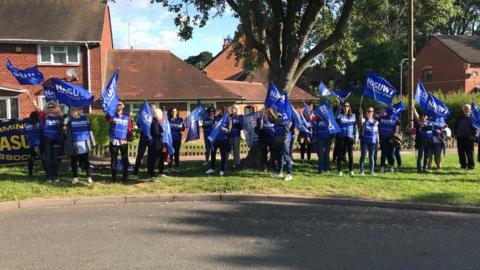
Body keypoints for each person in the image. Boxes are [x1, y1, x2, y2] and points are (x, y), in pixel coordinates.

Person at [106, 100, 134, 184]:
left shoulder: (127, 116)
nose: (118, 106)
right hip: (113, 141)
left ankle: (124, 178)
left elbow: (129, 127)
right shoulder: (112, 115)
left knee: (125, 160)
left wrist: (129, 136)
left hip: (123, 142)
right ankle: (113, 178)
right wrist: (110, 111)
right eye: (117, 104)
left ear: (123, 106)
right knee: (113, 160)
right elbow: (107, 119)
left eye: (120, 104)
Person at [65, 107, 95, 184]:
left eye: (82, 108)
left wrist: (93, 140)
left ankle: (88, 177)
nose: (81, 110)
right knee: (74, 160)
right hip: (74, 142)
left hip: (85, 141)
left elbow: (89, 129)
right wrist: (65, 121)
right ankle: (75, 177)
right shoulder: (70, 119)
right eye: (79, 108)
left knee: (85, 160)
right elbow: (64, 128)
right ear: (74, 109)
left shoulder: (85, 118)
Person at [39, 101, 63, 183]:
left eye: (52, 107)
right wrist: (34, 102)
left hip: (56, 140)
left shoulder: (59, 117)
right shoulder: (43, 116)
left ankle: (55, 176)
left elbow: (63, 127)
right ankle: (49, 177)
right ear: (46, 108)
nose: (51, 108)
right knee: (48, 159)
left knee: (55, 159)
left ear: (55, 107)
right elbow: (38, 110)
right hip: (46, 140)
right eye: (49, 107)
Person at [268, 108, 293, 181]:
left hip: (285, 141)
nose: (278, 111)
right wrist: (269, 112)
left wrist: (272, 113)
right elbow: (271, 120)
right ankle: (280, 172)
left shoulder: (287, 118)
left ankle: (289, 174)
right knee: (280, 157)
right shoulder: (278, 118)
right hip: (278, 140)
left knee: (286, 157)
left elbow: (280, 122)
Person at [206, 108, 232, 176]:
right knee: (213, 153)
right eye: (221, 111)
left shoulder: (229, 119)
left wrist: (221, 128)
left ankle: (222, 170)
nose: (221, 112)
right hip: (215, 139)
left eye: (223, 111)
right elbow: (213, 126)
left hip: (223, 140)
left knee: (223, 155)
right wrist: (213, 126)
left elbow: (229, 130)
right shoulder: (217, 118)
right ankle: (212, 168)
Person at [133, 103, 157, 175]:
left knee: (151, 155)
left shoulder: (155, 118)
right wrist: (137, 127)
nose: (153, 109)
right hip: (143, 138)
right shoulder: (143, 117)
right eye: (152, 108)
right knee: (140, 154)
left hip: (152, 139)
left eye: (154, 108)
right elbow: (138, 124)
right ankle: (135, 171)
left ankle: (150, 172)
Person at [335, 102, 356, 176]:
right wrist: (339, 107)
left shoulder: (353, 116)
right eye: (344, 106)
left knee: (350, 155)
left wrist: (355, 137)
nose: (346, 107)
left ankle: (351, 170)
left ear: (349, 107)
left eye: (347, 106)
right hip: (341, 137)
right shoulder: (340, 115)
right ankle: (339, 171)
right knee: (340, 155)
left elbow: (355, 127)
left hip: (350, 137)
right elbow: (335, 116)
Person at [378, 109, 400, 173]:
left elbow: (398, 127)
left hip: (391, 139)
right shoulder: (381, 118)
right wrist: (380, 113)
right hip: (383, 138)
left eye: (392, 113)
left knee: (391, 153)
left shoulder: (395, 119)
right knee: (383, 153)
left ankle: (391, 166)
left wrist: (395, 136)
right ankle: (382, 166)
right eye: (389, 113)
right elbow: (374, 118)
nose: (390, 114)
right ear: (387, 112)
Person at [147, 108, 167, 179]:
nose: (162, 115)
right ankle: (151, 175)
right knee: (153, 159)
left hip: (160, 144)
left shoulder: (158, 122)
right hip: (156, 144)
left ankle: (160, 172)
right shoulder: (155, 123)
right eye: (161, 114)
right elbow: (156, 133)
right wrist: (162, 133)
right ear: (157, 114)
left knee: (161, 158)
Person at [359, 107, 379, 176]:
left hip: (373, 142)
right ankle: (362, 171)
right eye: (368, 111)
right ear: (366, 112)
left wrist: (378, 142)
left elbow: (377, 132)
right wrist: (361, 112)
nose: (369, 112)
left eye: (371, 111)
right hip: (365, 142)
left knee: (372, 157)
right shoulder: (364, 120)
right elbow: (360, 119)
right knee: (363, 156)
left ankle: (371, 171)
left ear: (373, 112)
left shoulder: (376, 122)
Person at [455, 104, 476, 170]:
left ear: (470, 110)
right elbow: (455, 126)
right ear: (463, 110)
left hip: (469, 138)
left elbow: (477, 128)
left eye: (467, 109)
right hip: (460, 137)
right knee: (461, 153)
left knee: (470, 153)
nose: (466, 110)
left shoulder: (474, 118)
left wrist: (474, 135)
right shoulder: (460, 118)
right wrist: (456, 134)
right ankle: (463, 165)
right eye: (465, 109)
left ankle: (471, 166)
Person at [24, 111, 44, 177]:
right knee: (43, 158)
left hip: (31, 144)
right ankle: (47, 172)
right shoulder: (39, 124)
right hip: (38, 144)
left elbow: (26, 134)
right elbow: (42, 133)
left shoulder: (27, 125)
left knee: (31, 159)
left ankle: (30, 173)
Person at [168, 107, 184, 172]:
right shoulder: (168, 120)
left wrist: (181, 127)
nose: (174, 113)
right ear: (170, 112)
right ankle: (170, 167)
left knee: (176, 153)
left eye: (175, 111)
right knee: (170, 153)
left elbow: (183, 129)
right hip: (170, 139)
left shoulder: (180, 120)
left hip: (177, 139)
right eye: (173, 111)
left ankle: (177, 167)